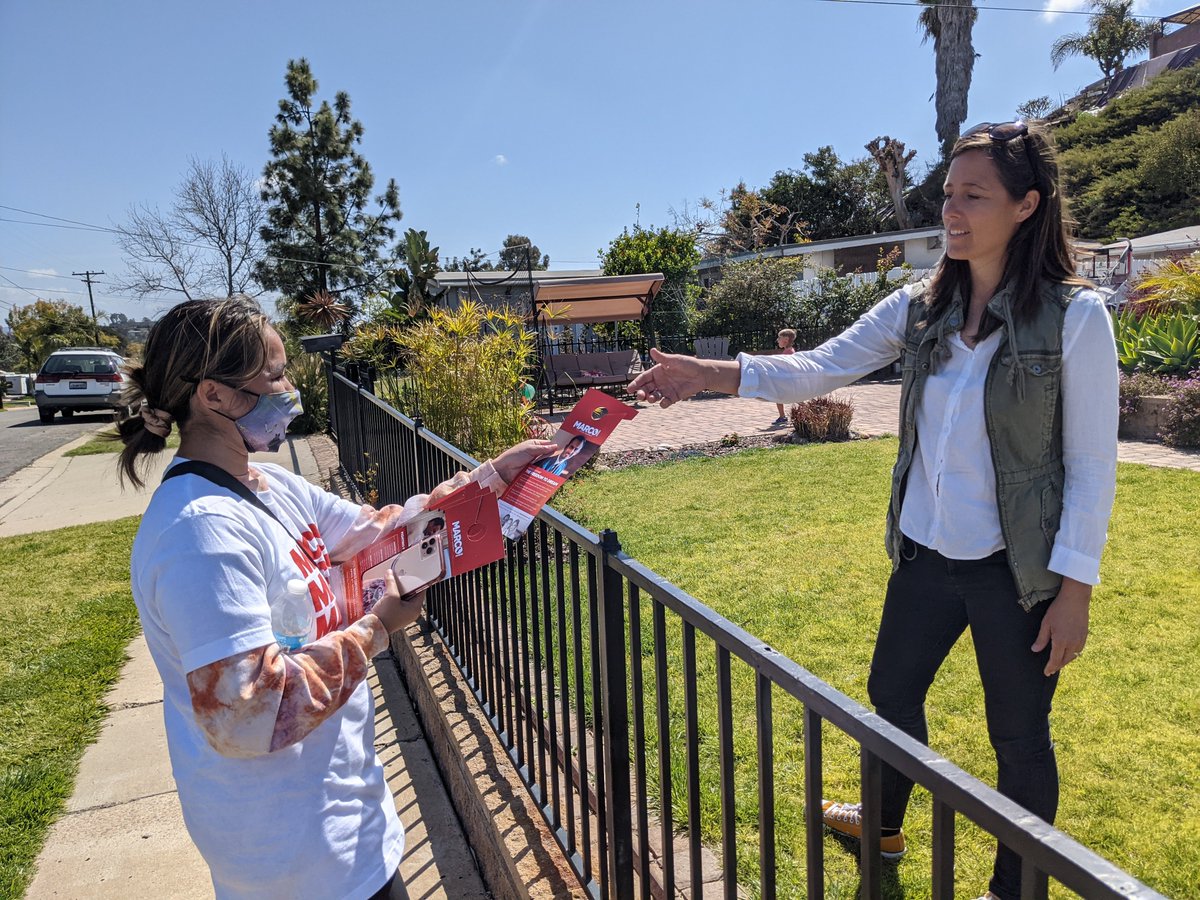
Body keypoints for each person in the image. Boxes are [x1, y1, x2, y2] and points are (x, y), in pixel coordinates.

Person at [629, 121, 1117, 900]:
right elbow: (816, 369)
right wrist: (703, 373)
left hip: (1016, 575)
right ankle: (881, 823)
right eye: (947, 195)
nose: (951, 212)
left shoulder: (1074, 318)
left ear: (1027, 205)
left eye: (973, 197)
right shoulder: (920, 306)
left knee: (1019, 740)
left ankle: (1012, 888)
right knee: (891, 698)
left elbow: (1093, 467)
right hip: (925, 556)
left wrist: (1076, 591)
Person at [118, 296, 556, 900]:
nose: (289, 387)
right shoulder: (200, 533)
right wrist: (378, 629)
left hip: (346, 821)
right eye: (273, 376)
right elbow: (247, 714)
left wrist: (491, 479)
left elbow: (379, 534)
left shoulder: (266, 484)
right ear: (213, 395)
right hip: (290, 857)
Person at [773, 328, 797, 425]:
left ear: (786, 340)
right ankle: (782, 416)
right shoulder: (788, 351)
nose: (777, 340)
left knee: (779, 397)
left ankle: (782, 416)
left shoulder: (789, 352)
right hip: (787, 379)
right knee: (779, 397)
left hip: (788, 380)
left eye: (779, 338)